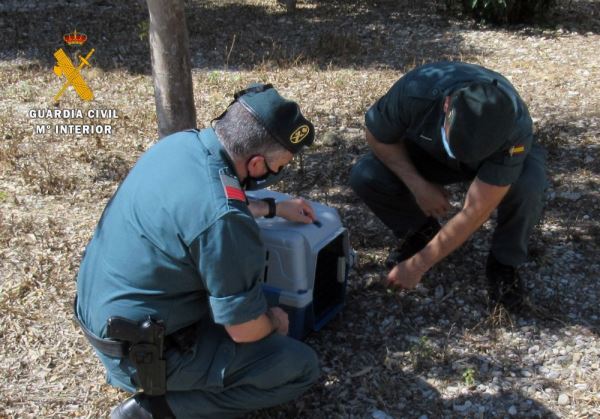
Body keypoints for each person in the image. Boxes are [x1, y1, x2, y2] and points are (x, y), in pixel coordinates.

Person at [75, 83, 320, 418]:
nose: (278, 173)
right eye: (279, 166)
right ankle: (157, 410)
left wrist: (272, 208)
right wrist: (274, 322)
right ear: (257, 163)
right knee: (300, 365)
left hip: (105, 317)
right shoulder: (226, 220)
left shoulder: (181, 145)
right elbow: (244, 329)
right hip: (141, 352)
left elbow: (208, 199)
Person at [349, 61, 547, 311]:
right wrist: (418, 185)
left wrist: (419, 265)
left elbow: (475, 211)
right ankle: (421, 231)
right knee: (366, 174)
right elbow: (377, 135)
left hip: (492, 163)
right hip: (431, 153)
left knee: (528, 185)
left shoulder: (514, 128)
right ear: (446, 106)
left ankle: (504, 263)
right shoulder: (416, 91)